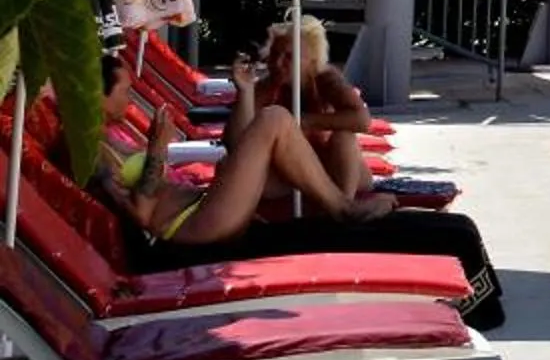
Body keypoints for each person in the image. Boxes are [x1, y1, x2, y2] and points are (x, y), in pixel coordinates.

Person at [91, 48, 394, 248]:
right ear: (98, 93)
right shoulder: (92, 154)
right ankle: (344, 209)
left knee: (280, 137)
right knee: (273, 120)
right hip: (191, 224)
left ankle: (338, 203)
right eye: (125, 91)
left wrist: (246, 90)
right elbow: (139, 217)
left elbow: (233, 144)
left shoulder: (106, 138)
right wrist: (157, 149)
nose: (130, 101)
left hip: (201, 207)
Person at [260, 14, 379, 198]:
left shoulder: (325, 79)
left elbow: (362, 120)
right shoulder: (268, 85)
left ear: (312, 61)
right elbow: (234, 140)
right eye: (274, 54)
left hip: (333, 168)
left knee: (344, 137)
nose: (278, 63)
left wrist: (305, 121)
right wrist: (244, 93)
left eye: (289, 57)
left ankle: (343, 207)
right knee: (232, 167)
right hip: (294, 172)